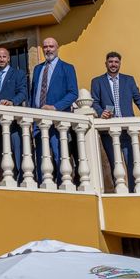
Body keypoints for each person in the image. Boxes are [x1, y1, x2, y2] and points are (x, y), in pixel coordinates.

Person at [90, 51, 140, 192]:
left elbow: (137, 97)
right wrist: (101, 112)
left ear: (120, 64)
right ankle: (119, 191)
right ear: (106, 63)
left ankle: (132, 191)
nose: (113, 64)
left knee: (131, 162)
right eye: (110, 62)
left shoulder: (128, 80)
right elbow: (94, 101)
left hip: (127, 130)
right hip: (108, 131)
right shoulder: (97, 81)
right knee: (114, 163)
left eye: (116, 62)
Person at [30, 37, 78, 185]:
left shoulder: (67, 68)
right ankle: (42, 184)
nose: (48, 49)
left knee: (59, 154)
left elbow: (73, 93)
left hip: (58, 120)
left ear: (57, 48)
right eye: (45, 47)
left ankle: (62, 184)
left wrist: (55, 107)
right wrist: (32, 116)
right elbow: (34, 94)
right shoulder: (38, 69)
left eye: (51, 46)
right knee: (40, 155)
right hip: (39, 120)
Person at [0, 47, 28, 183]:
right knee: (1, 154)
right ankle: (5, 180)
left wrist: (12, 102)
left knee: (17, 151)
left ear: (8, 58)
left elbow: (23, 92)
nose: (1, 59)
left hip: (13, 121)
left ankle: (20, 180)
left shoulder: (18, 74)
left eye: (4, 56)